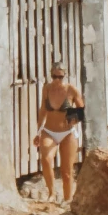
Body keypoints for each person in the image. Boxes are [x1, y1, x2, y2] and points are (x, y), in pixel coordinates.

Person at [36, 61, 85, 200]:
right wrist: (38, 131)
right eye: (54, 76)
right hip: (49, 131)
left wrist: (73, 119)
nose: (57, 80)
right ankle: (51, 193)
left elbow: (81, 109)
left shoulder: (71, 90)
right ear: (51, 75)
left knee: (67, 172)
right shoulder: (47, 88)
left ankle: (67, 199)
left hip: (67, 133)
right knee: (45, 159)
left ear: (65, 76)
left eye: (60, 77)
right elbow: (43, 110)